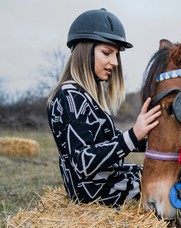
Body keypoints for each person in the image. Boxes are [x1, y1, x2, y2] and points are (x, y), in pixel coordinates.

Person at [47, 8, 161, 207]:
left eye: (117, 55)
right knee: (161, 186)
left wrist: (157, 139)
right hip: (96, 194)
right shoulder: (70, 96)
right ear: (84, 50)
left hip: (105, 182)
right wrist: (134, 134)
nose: (115, 62)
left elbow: (109, 142)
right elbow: (83, 162)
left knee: (157, 171)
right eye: (107, 53)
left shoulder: (84, 95)